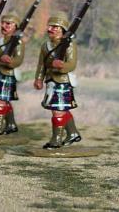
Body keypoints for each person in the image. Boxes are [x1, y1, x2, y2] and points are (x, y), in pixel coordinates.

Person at [33, 11, 81, 149]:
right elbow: (41, 64)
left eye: (55, 27)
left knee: (58, 110)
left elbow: (72, 64)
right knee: (61, 110)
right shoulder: (45, 46)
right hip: (50, 81)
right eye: (50, 26)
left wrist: (62, 65)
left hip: (63, 81)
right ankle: (72, 133)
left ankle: (57, 139)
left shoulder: (69, 45)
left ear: (63, 29)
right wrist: (38, 78)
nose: (50, 29)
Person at [0, 13, 24, 135]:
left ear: (15, 26)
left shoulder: (18, 43)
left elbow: (18, 60)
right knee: (4, 101)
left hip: (8, 74)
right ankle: (11, 124)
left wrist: (10, 61)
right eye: (3, 23)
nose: (4, 26)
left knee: (0, 100)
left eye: (8, 24)